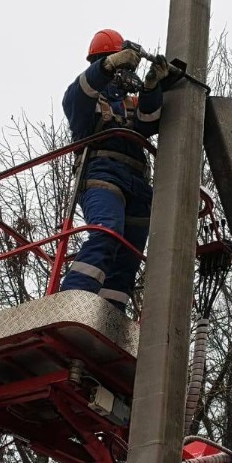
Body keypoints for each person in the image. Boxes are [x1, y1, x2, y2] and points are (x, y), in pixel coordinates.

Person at [59, 29, 170, 313]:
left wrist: (152, 87)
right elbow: (75, 95)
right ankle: (73, 302)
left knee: (129, 256)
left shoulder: (129, 104)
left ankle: (111, 315)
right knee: (107, 232)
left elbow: (148, 122)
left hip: (137, 185)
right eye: (120, 62)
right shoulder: (88, 100)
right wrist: (107, 67)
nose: (126, 72)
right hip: (102, 175)